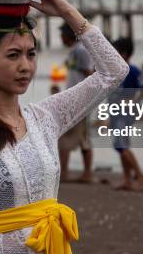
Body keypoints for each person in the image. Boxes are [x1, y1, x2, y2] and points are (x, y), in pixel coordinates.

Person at [0, 0, 128, 253]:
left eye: (31, 54)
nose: (26, 66)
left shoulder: (45, 118)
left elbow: (114, 71)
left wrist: (65, 11)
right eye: (13, 55)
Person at [109, 37, 143, 191]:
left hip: (125, 113)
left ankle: (140, 176)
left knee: (120, 145)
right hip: (115, 112)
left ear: (124, 54)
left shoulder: (131, 70)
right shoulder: (115, 71)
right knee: (123, 144)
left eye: (115, 51)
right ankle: (127, 179)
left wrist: (134, 101)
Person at [58, 23, 95, 183]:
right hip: (72, 100)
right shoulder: (73, 51)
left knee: (80, 137)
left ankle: (85, 173)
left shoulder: (80, 50)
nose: (60, 37)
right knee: (75, 137)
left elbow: (90, 74)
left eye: (62, 34)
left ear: (69, 34)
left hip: (80, 101)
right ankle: (66, 172)